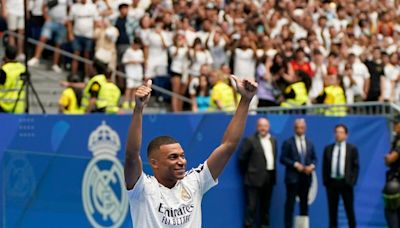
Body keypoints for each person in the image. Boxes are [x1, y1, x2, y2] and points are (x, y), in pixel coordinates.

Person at [124, 74, 257, 227]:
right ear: (154, 163)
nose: (181, 162)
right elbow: (132, 155)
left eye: (182, 156)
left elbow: (228, 146)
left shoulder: (194, 182)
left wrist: (245, 100)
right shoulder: (142, 189)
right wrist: (138, 109)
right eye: (173, 157)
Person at [238, 118, 277, 228]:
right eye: (261, 125)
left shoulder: (273, 140)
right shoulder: (250, 140)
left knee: (266, 208)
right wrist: (250, 172)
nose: (263, 128)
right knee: (251, 207)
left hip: (269, 178)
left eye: (265, 126)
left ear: (268, 127)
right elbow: (242, 159)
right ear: (257, 127)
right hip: (253, 180)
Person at [280, 118, 317, 228]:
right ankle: (288, 226)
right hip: (292, 179)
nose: (299, 129)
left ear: (305, 128)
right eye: (297, 127)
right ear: (294, 128)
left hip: (306, 178)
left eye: (301, 127)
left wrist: (311, 166)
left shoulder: (309, 143)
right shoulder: (288, 142)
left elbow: (314, 159)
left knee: (304, 204)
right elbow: (283, 158)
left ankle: (303, 226)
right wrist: (295, 165)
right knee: (290, 205)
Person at [322, 124, 359, 228]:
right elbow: (325, 166)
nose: (338, 134)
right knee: (332, 212)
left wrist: (352, 182)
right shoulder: (328, 149)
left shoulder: (352, 149)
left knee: (349, 210)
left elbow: (355, 167)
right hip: (332, 183)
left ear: (346, 135)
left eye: (341, 132)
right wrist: (326, 182)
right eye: (336, 132)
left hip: (346, 183)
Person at [383, 121, 400, 228]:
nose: (395, 127)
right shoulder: (396, 140)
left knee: (391, 211)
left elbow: (390, 158)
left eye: (397, 124)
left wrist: (388, 157)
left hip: (397, 182)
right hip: (394, 178)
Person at [0, 45, 26, 113]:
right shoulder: (23, 68)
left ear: (5, 55)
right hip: (19, 106)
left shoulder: (4, 69)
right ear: (16, 55)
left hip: (4, 106)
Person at [122, 37, 144, 109]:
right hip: (130, 71)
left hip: (138, 71)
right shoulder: (128, 51)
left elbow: (142, 60)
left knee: (135, 87)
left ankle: (132, 102)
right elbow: (124, 61)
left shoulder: (140, 51)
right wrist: (131, 61)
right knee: (129, 87)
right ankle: (125, 102)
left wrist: (138, 61)